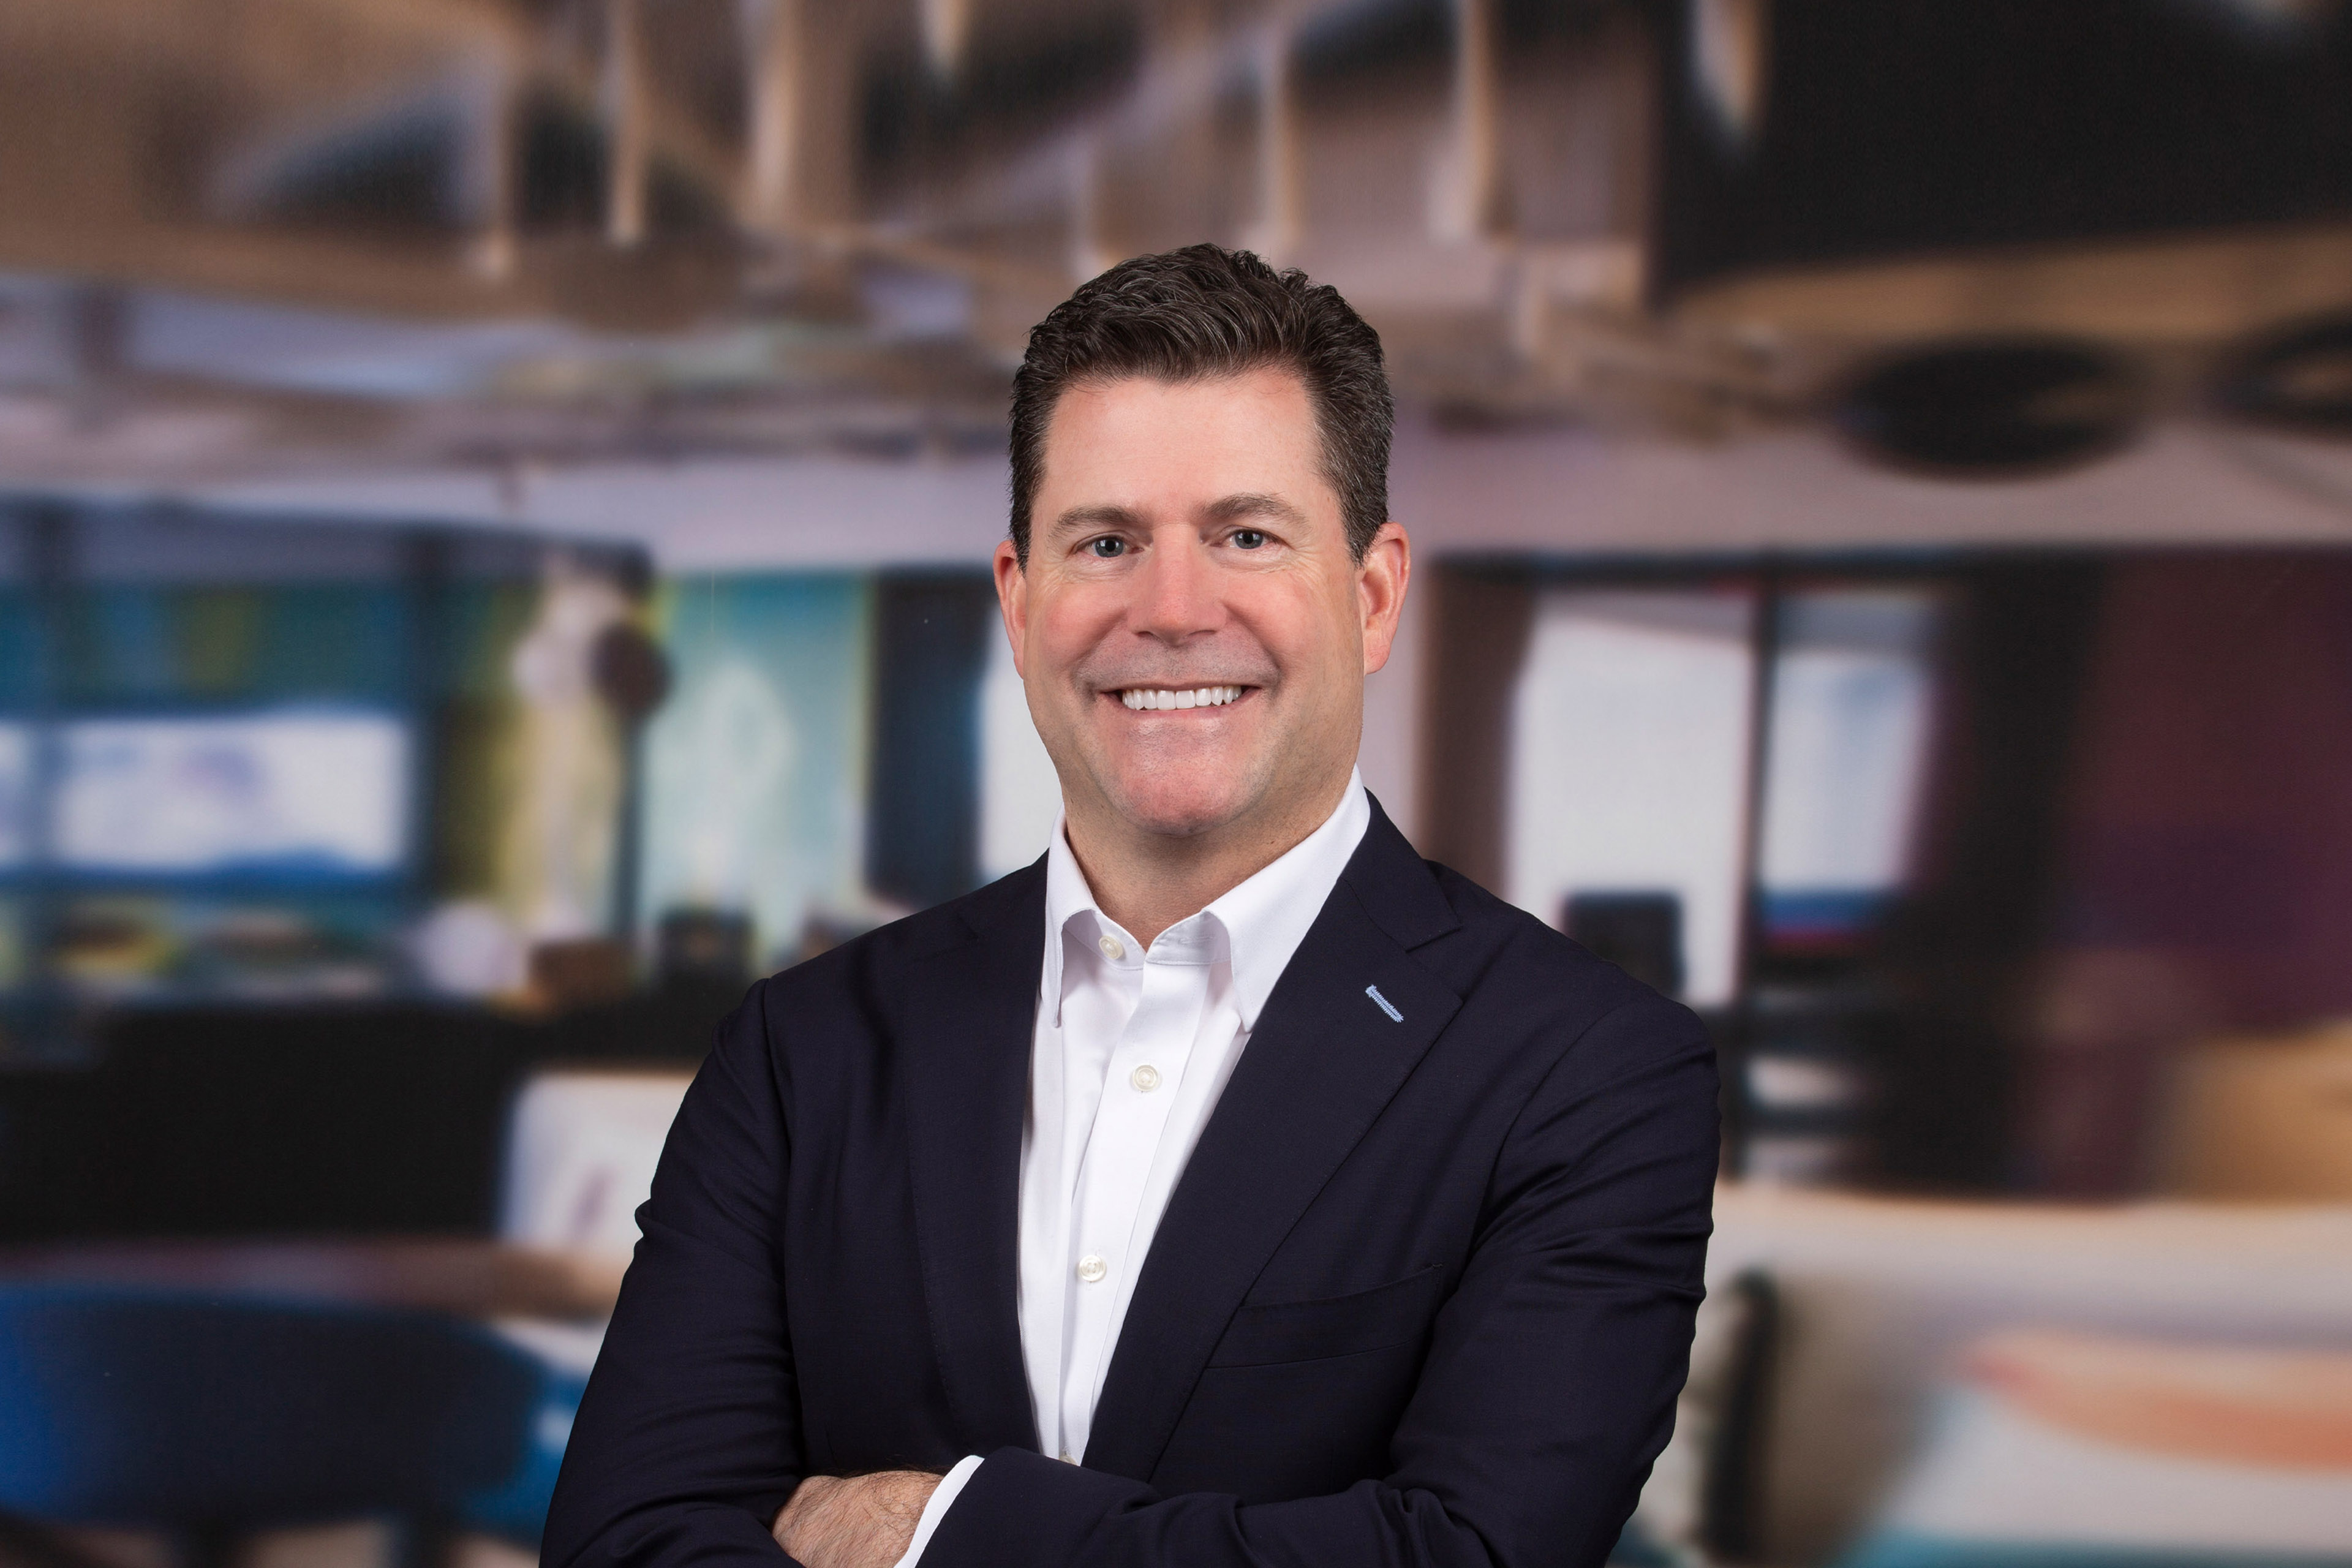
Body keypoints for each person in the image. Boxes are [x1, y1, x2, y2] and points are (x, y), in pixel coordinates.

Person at [544, 245, 1718, 1568]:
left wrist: (932, 1528)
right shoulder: (802, 1049)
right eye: (1106, 543)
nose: (1170, 611)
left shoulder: (1589, 1070)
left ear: (1372, 595)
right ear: (1020, 599)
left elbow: (1472, 1557)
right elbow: (620, 1542)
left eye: (1246, 536)